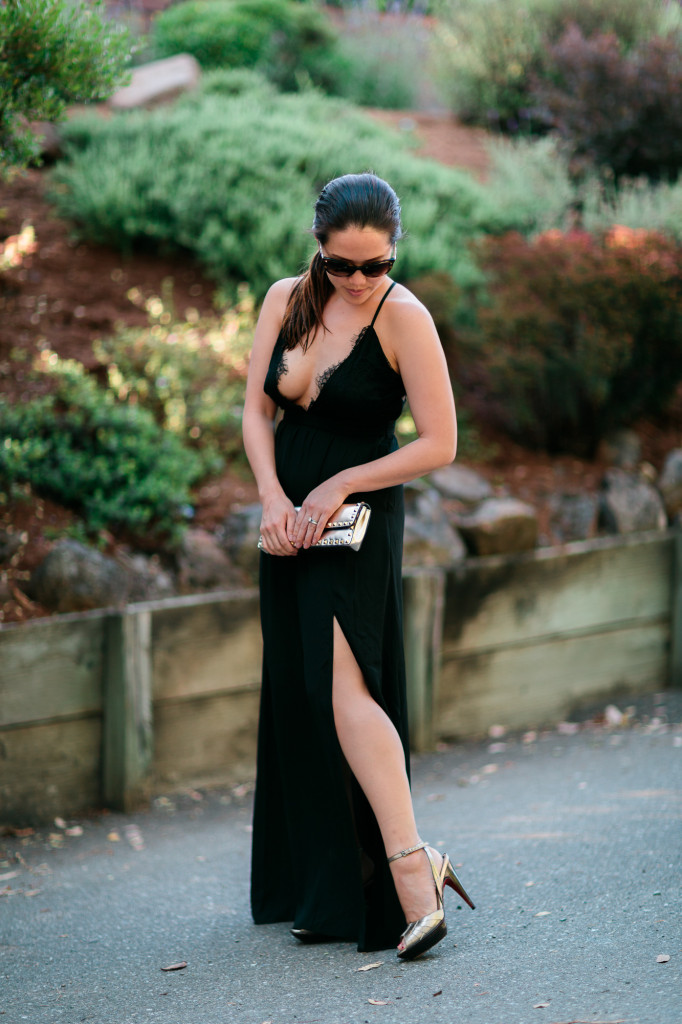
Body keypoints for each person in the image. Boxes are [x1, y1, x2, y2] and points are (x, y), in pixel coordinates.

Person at [242, 172, 474, 959]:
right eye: (343, 264)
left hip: (360, 514)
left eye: (376, 264)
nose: (360, 279)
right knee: (304, 692)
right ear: (319, 248)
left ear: (393, 252)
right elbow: (256, 411)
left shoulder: (405, 317)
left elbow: (439, 444)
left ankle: (411, 873)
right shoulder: (286, 298)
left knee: (344, 688)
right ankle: (334, 891)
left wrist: (340, 480)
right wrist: (272, 497)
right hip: (289, 522)